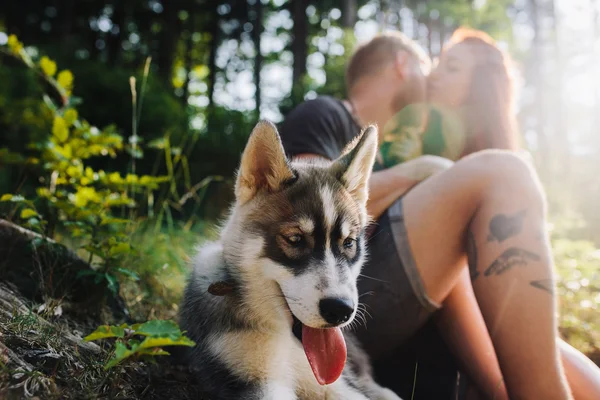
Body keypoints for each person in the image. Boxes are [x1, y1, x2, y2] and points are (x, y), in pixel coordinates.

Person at [278, 29, 600, 400]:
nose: (431, 77)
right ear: (403, 64)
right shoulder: (329, 114)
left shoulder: (417, 149)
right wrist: (420, 171)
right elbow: (306, 211)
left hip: (399, 333)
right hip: (335, 300)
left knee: (538, 340)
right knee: (503, 173)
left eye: (448, 68)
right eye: (431, 65)